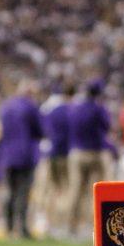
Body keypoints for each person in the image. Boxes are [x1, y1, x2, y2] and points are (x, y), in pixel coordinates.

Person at [67, 79, 112, 237]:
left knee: (75, 190)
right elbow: (107, 126)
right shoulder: (99, 108)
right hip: (95, 153)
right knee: (95, 191)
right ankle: (90, 226)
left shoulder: (75, 108)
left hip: (77, 153)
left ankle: (72, 227)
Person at [0, 82, 43, 238]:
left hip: (7, 155)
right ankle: (22, 227)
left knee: (10, 191)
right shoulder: (30, 107)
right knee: (23, 192)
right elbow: (40, 129)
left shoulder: (6, 106)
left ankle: (9, 227)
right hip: (25, 154)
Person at [40, 82, 74, 235]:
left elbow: (44, 130)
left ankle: (48, 224)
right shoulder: (72, 111)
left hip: (52, 153)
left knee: (52, 190)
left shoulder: (52, 111)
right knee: (66, 190)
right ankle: (63, 224)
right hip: (67, 155)